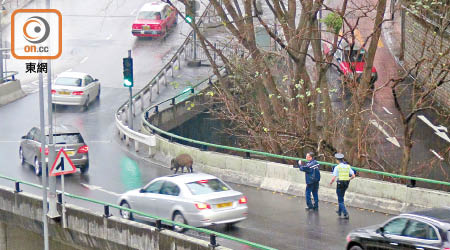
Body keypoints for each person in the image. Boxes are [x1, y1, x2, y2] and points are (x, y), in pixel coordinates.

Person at [329, 153, 355, 219]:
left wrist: (331, 183)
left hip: (340, 183)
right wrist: (348, 179)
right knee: (341, 197)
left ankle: (346, 213)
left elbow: (334, 177)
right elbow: (353, 176)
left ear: (337, 160)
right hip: (346, 183)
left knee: (340, 199)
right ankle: (339, 211)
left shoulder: (337, 167)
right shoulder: (348, 166)